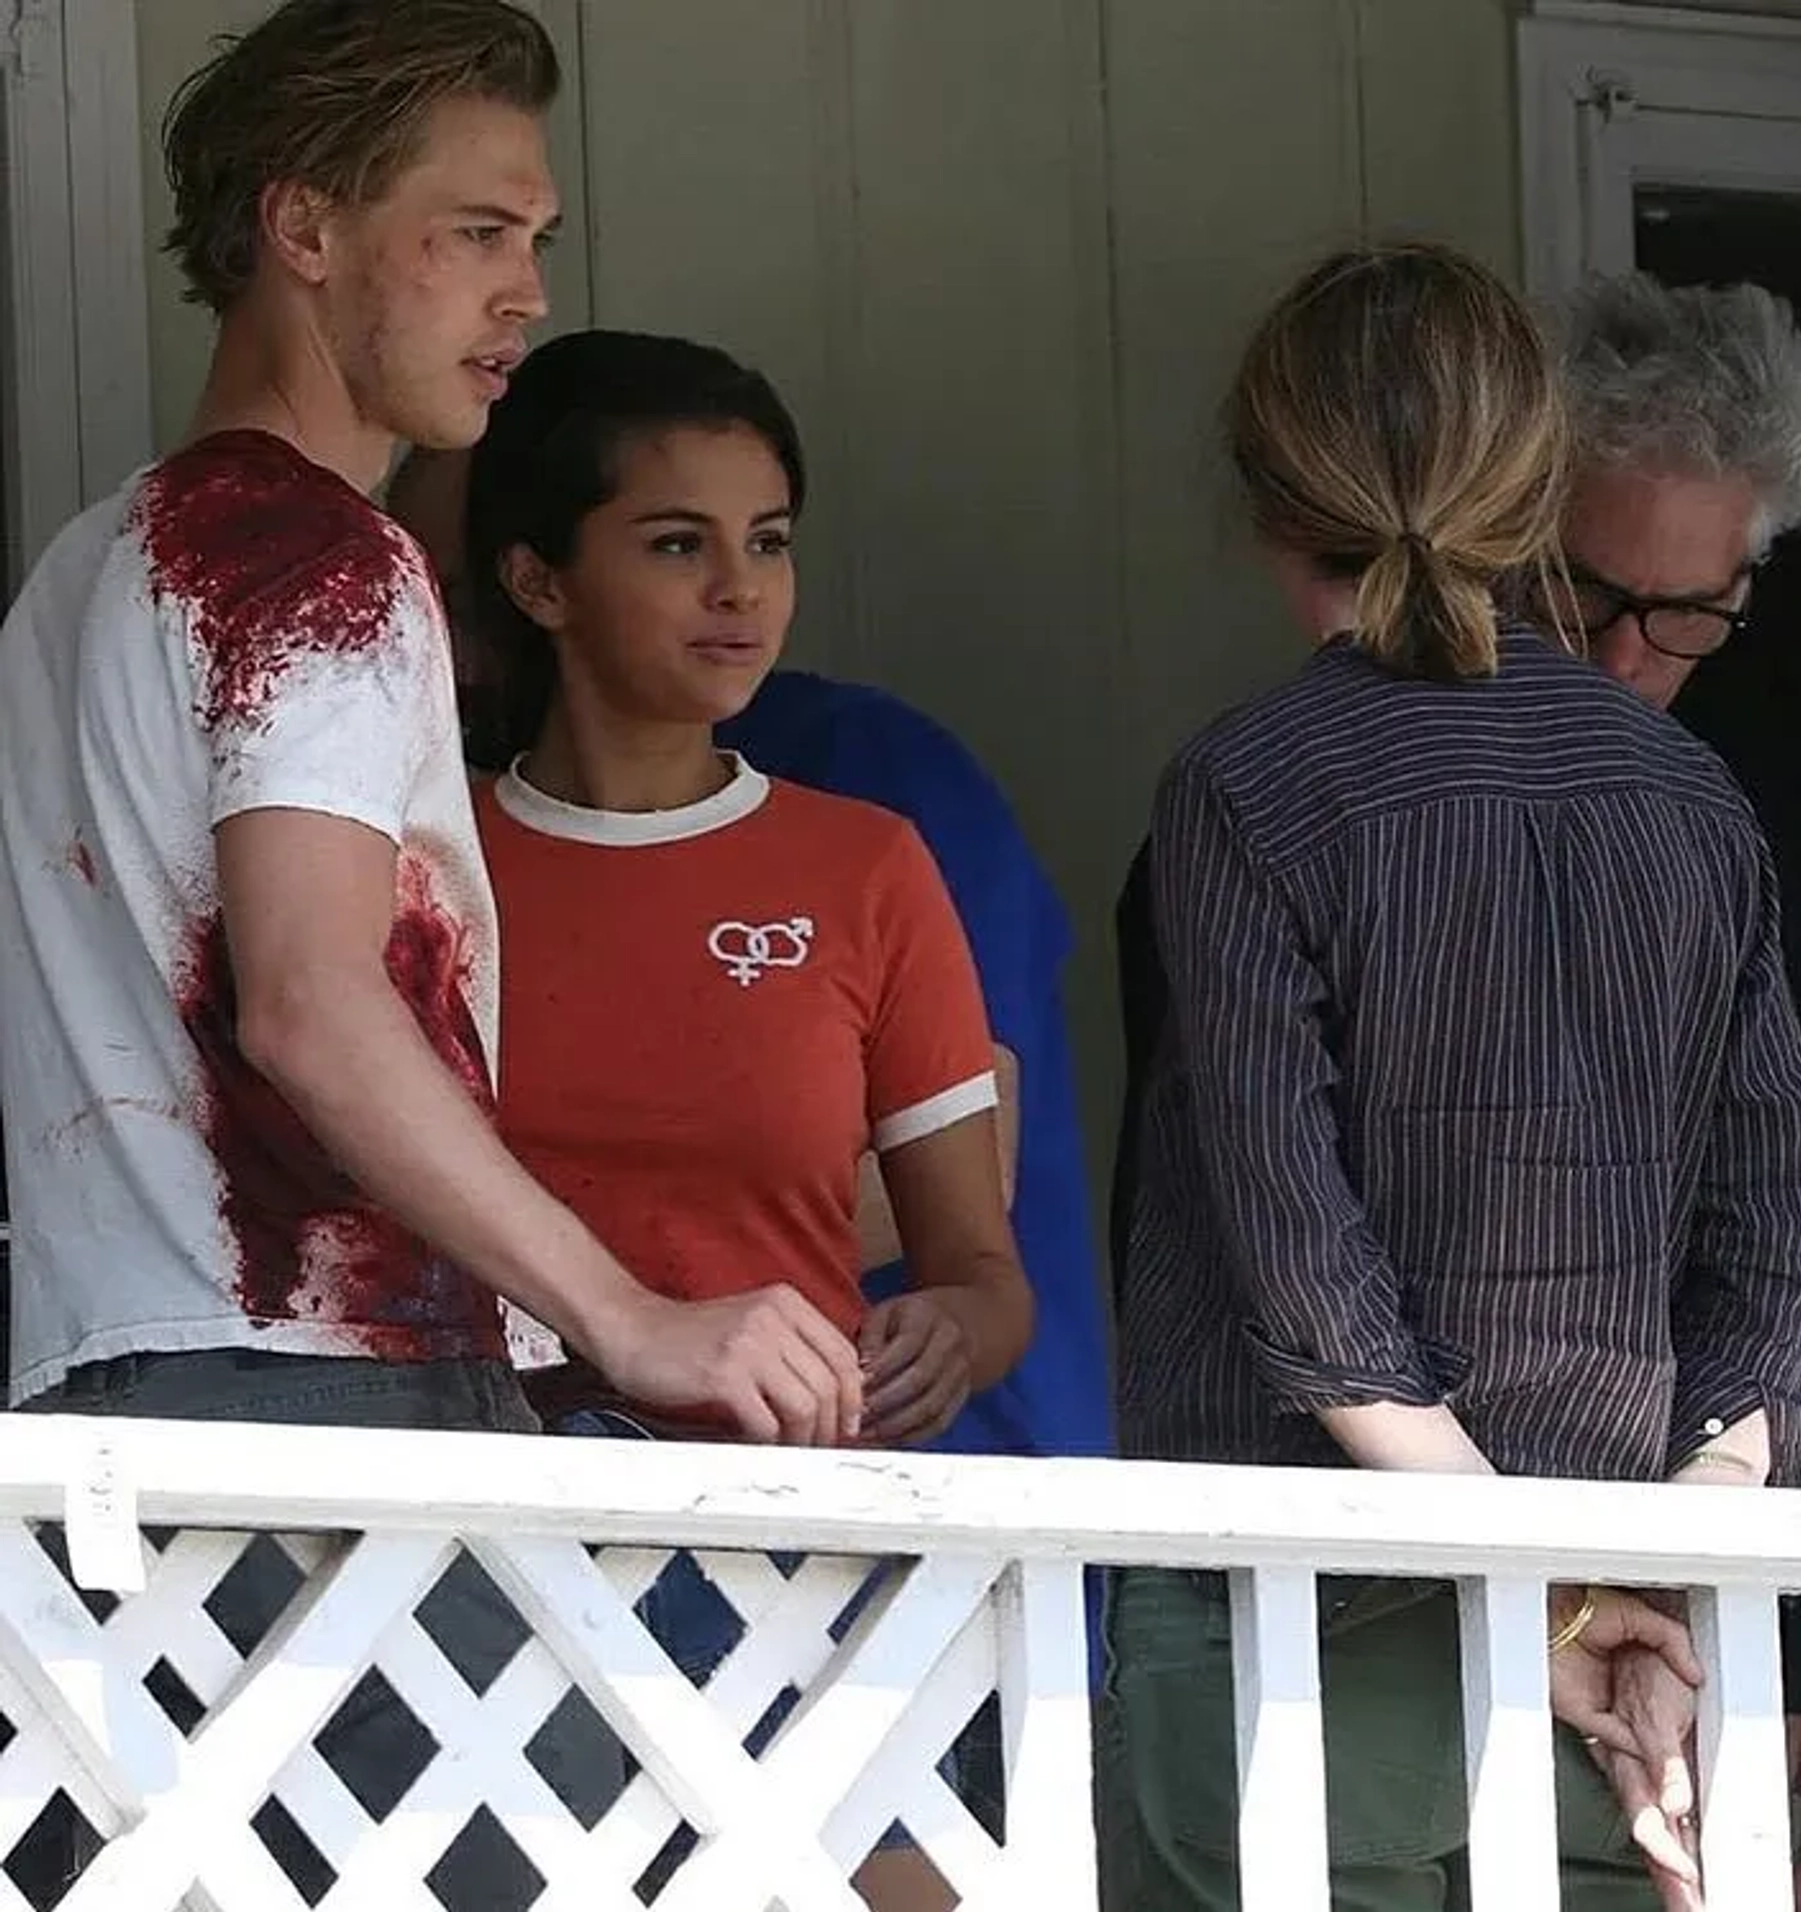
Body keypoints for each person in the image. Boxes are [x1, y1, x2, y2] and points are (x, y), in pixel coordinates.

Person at [0, 2, 861, 1895]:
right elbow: (311, 1003)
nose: (525, 292)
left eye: (532, 241)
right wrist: (630, 1317)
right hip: (316, 1399)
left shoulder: (78, 577)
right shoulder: (321, 556)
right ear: (304, 229)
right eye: (475, 232)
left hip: (99, 1425)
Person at [1108, 243, 1801, 1912]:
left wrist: (1563, 1590)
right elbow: (1781, 1242)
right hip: (1634, 1626)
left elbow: (1301, 1267)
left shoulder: (1246, 784)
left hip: (1303, 1591)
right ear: (1534, 493)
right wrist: (1667, 1556)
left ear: (1268, 502)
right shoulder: (1691, 798)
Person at [459, 326, 1034, 1911]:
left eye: (768, 543)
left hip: (805, 1537)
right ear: (537, 579)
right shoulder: (423, 868)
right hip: (498, 1539)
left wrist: (953, 1337)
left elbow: (979, 1267)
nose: (741, 590)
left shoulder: (865, 866)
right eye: (676, 543)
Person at [1552, 271, 1801, 1912]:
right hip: (1401, 1565)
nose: (1629, 656)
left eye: (1684, 613)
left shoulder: (1790, 815)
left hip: (1732, 1557)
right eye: (1586, 594)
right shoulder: (1338, 786)